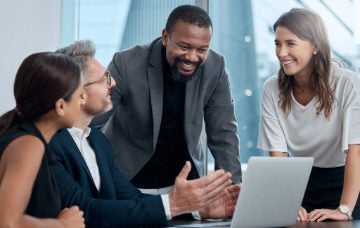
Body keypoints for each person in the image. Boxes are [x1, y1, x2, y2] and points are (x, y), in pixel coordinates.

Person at [49, 40, 240, 227]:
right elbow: (87, 212)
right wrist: (174, 204)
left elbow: (133, 200)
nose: (113, 82)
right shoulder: (49, 145)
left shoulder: (98, 142)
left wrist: (198, 209)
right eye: (105, 78)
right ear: (80, 93)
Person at [91, 4, 241, 194]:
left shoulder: (215, 67)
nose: (192, 57)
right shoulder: (126, 63)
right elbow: (92, 120)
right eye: (184, 47)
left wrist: (231, 190)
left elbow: (224, 133)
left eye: (202, 49)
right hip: (127, 183)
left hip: (184, 187)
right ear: (165, 37)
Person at [258, 8, 360, 222]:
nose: (281, 52)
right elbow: (279, 157)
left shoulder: (348, 84)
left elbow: (355, 152)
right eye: (277, 43)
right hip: (301, 183)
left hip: (348, 184)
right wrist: (289, 202)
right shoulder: (271, 89)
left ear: (315, 45)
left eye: (290, 43)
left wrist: (344, 209)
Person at [0, 52, 85, 227]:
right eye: (80, 95)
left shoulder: (22, 137)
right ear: (61, 106)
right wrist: (62, 225)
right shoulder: (29, 145)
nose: (83, 101)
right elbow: (8, 222)